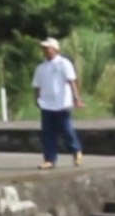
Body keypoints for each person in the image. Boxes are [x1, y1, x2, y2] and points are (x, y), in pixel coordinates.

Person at [32, 37, 84, 169]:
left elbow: (71, 81)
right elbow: (36, 85)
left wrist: (76, 98)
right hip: (47, 104)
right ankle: (49, 159)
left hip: (62, 103)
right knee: (47, 133)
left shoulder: (64, 63)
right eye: (43, 48)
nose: (45, 51)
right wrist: (36, 98)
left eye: (47, 48)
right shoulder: (41, 67)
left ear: (55, 49)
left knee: (66, 129)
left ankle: (76, 151)